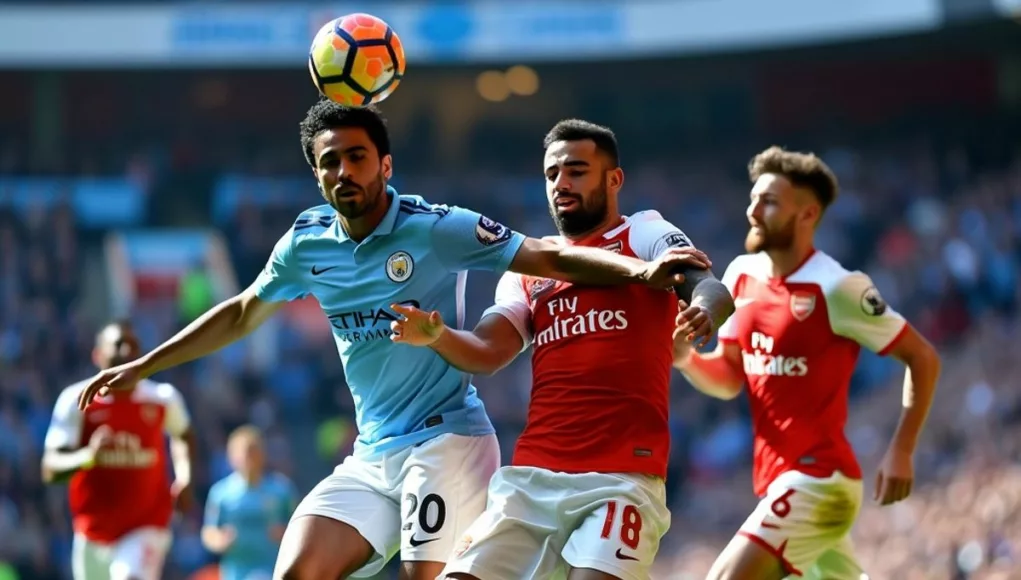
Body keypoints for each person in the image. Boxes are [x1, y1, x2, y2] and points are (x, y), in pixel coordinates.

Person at [76, 100, 708, 580]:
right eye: (330, 161)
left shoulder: (439, 228)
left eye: (356, 157)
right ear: (317, 176)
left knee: (419, 574)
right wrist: (143, 366)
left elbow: (549, 257)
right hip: (373, 451)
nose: (344, 170)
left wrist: (640, 272)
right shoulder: (305, 245)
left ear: (385, 164)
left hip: (447, 441)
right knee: (297, 570)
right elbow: (241, 313)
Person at [389, 119, 734, 580]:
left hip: (621, 480)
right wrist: (439, 337)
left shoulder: (645, 233)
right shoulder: (530, 266)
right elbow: (490, 351)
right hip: (533, 479)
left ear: (614, 180)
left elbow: (713, 289)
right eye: (552, 174)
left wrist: (704, 312)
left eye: (576, 171)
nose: (561, 184)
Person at [673, 146, 942, 580]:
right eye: (754, 199)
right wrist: (687, 360)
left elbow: (923, 358)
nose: (754, 211)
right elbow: (728, 378)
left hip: (819, 479)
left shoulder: (838, 288)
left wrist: (902, 451)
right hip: (778, 481)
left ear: (807, 215)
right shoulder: (740, 276)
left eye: (770, 202)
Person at [42, 320, 196, 580]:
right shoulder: (76, 400)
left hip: (146, 525)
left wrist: (185, 475)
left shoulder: (162, 398)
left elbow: (183, 434)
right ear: (97, 355)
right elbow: (50, 469)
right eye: (118, 344)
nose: (127, 351)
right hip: (92, 533)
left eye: (134, 345)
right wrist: (88, 457)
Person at [203, 425, 298, 580]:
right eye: (244, 453)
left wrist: (286, 534)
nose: (249, 459)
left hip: (273, 568)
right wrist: (220, 540)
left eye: (253, 452)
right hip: (235, 571)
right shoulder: (221, 493)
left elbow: (300, 527)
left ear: (263, 454)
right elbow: (209, 533)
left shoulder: (282, 489)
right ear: (231, 457)